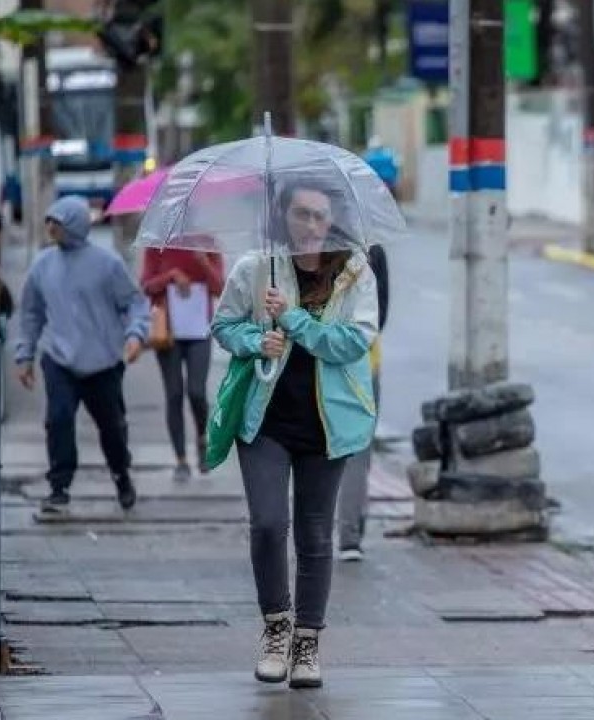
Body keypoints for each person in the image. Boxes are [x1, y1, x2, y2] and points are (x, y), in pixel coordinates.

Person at [211, 178, 379, 690]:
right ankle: (276, 627)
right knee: (266, 523)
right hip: (264, 419)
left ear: (334, 221)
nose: (310, 226)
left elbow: (355, 341)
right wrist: (256, 338)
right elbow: (223, 325)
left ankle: (308, 642)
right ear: (284, 216)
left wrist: (296, 321)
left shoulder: (354, 273)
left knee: (314, 534)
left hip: (328, 424)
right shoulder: (256, 267)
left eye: (319, 216)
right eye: (301, 214)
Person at [15, 196, 150, 513]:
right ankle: (59, 486)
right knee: (58, 420)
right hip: (58, 358)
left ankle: (121, 476)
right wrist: (25, 355)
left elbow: (134, 303)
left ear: (75, 224)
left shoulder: (108, 263)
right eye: (48, 221)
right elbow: (31, 314)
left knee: (113, 427)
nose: (50, 227)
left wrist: (134, 335)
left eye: (57, 222)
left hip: (103, 361)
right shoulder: (42, 265)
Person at [140, 248, 226, 481]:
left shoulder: (207, 245)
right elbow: (146, 286)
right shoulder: (157, 245)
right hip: (167, 331)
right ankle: (181, 460)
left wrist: (204, 263)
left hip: (199, 331)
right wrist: (171, 276)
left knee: (197, 392)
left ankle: (201, 439)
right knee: (174, 393)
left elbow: (220, 289)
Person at [335, 241, 389, 562]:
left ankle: (347, 526)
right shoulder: (372, 252)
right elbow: (380, 316)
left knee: (339, 453)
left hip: (337, 363)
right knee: (357, 452)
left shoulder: (310, 252)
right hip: (364, 365)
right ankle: (350, 533)